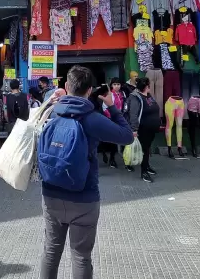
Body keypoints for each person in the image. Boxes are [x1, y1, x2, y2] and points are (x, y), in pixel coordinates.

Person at [39, 66, 133, 279]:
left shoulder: (51, 111)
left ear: (66, 86)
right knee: (81, 256)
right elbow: (127, 136)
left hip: (51, 194)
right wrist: (112, 106)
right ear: (90, 90)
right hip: (84, 197)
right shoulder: (92, 118)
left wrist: (51, 98)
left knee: (51, 251)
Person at [126, 77, 161, 183]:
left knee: (147, 149)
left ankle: (147, 166)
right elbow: (133, 115)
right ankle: (144, 172)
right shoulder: (135, 97)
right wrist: (134, 130)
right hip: (143, 129)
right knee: (144, 150)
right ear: (146, 86)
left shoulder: (148, 95)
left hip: (151, 128)